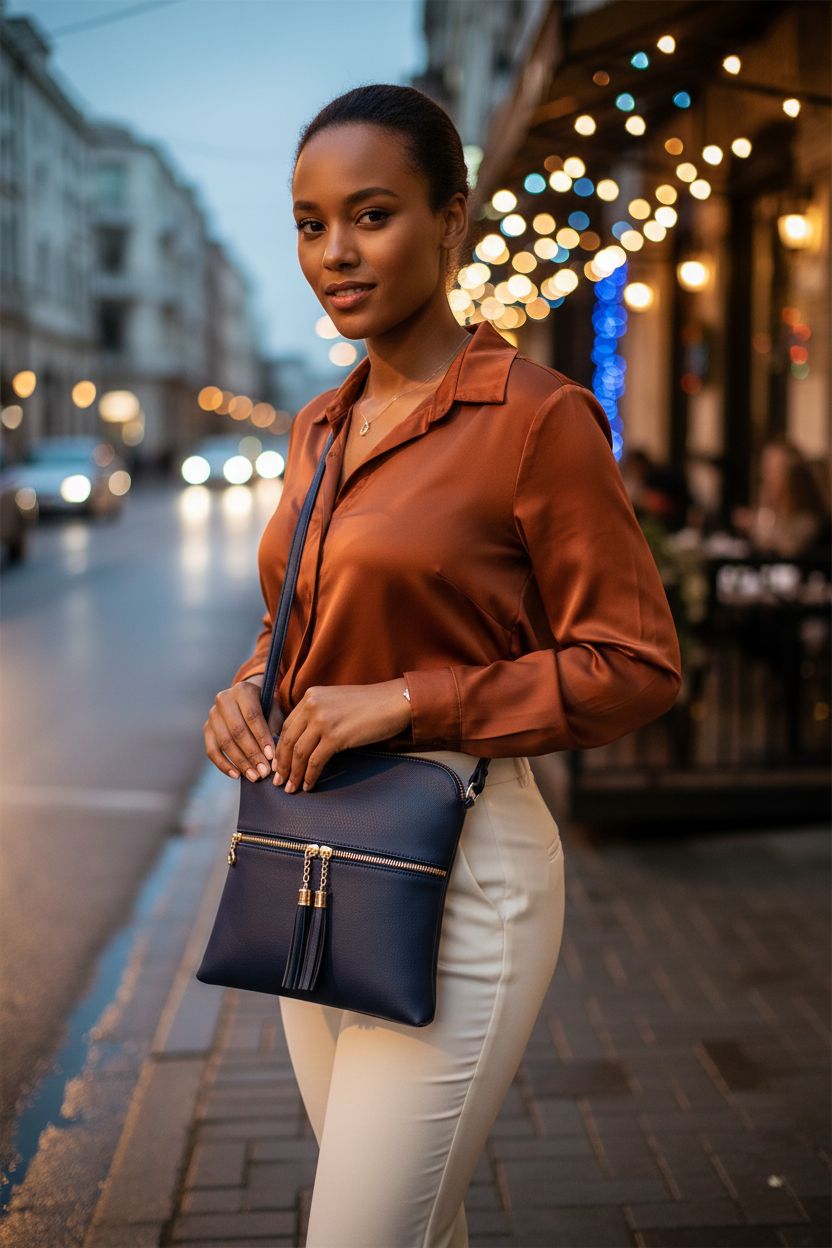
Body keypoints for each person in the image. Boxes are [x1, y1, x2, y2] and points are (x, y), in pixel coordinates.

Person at [202, 83, 682, 1248]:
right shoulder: (320, 423)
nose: (335, 253)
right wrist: (249, 686)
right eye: (310, 224)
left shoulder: (535, 417)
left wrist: (412, 702)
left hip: (467, 871)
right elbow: (301, 619)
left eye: (371, 215)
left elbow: (635, 663)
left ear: (451, 219)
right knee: (420, 1222)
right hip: (313, 869)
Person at [731, 436, 831, 560]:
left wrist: (756, 528)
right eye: (765, 468)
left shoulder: (808, 516)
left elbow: (789, 547)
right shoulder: (771, 505)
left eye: (774, 469)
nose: (766, 476)